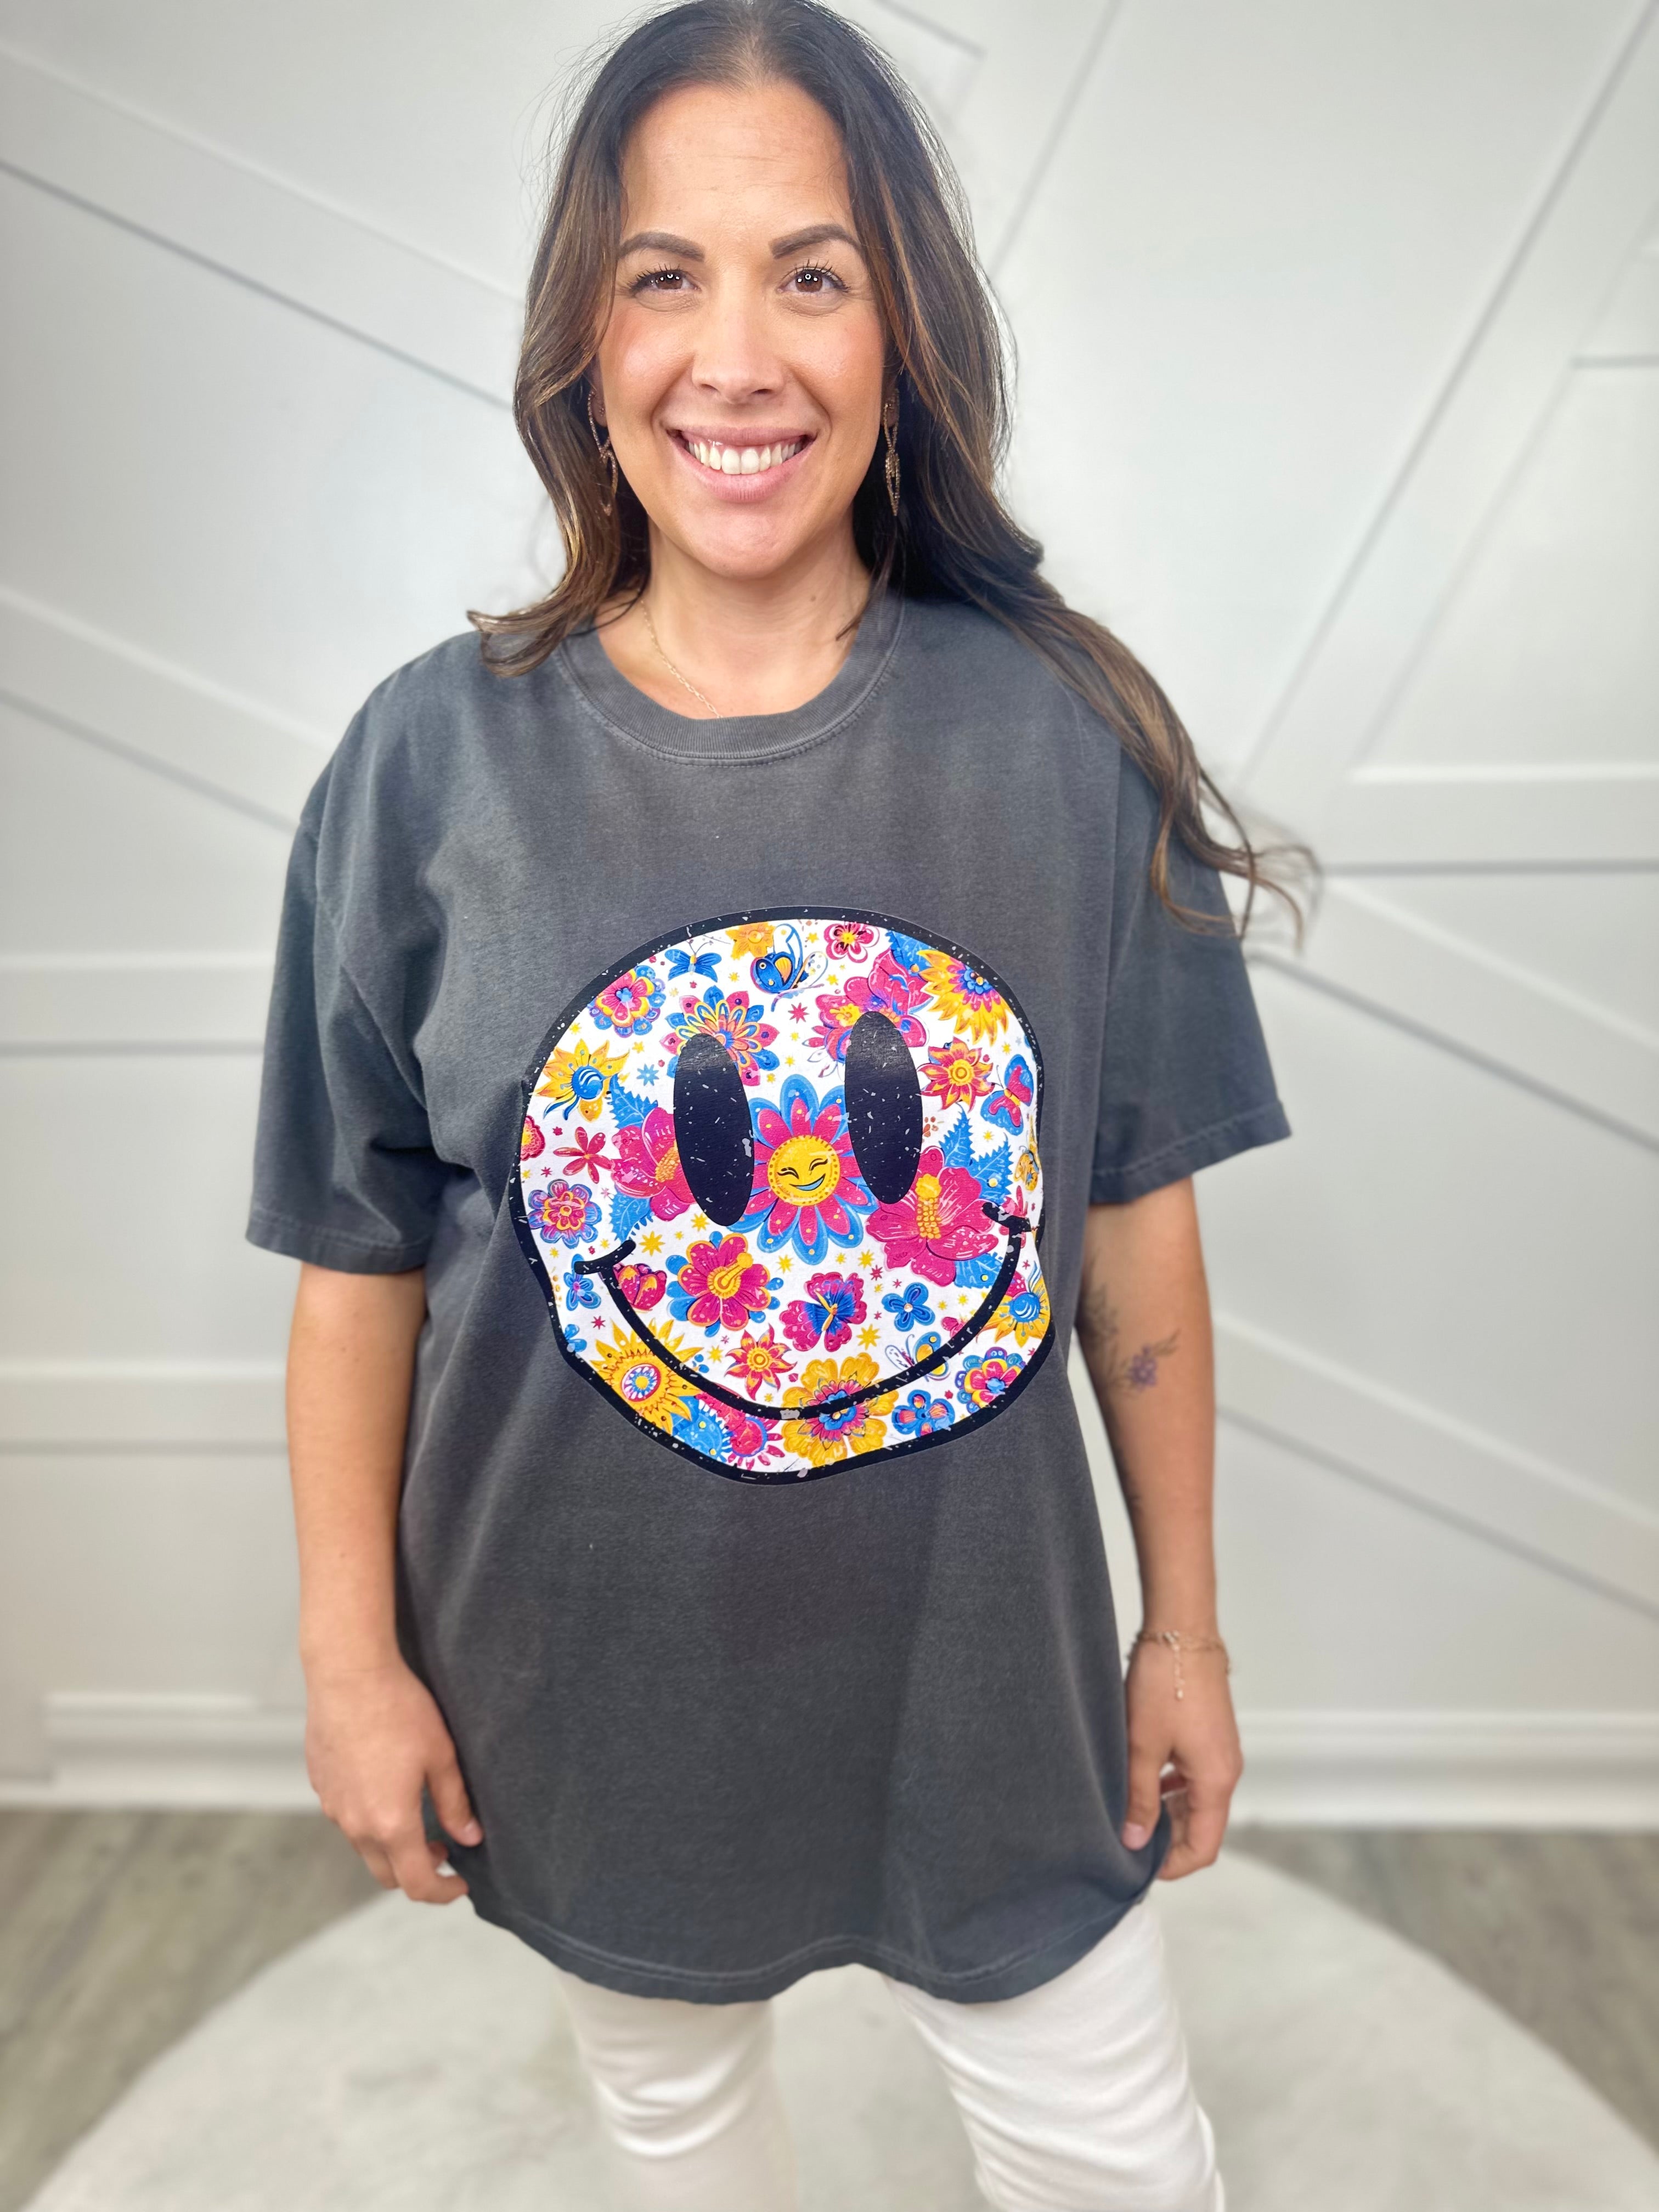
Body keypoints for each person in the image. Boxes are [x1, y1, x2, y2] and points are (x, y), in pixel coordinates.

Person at [248, 5, 1301, 2207]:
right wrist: (351, 1661)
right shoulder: (427, 766)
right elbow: (357, 1267)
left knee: (1122, 2163)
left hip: (984, 1687)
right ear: (587, 337)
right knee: (681, 2140)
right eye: (667, 275)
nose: (737, 355)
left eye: (813, 273)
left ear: (901, 328)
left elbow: (1138, 1242)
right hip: (583, 1682)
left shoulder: (1059, 742)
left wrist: (1184, 1630)